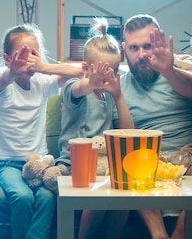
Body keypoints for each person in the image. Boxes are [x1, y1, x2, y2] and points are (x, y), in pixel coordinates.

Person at [116, 14, 192, 239]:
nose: (142, 55)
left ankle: (179, 235)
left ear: (159, 44)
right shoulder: (118, 87)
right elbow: (120, 137)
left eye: (148, 46)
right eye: (134, 48)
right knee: (127, 164)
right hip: (147, 160)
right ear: (124, 49)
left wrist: (169, 70)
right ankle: (159, 234)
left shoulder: (180, 70)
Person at [0, 23, 81, 239]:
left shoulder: (42, 82)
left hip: (39, 163)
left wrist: (44, 67)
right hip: (6, 163)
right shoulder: (4, 85)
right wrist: (12, 72)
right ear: (7, 58)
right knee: (22, 197)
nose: (28, 59)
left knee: (49, 196)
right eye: (21, 54)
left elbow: (82, 71)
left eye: (33, 53)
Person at [55, 18, 135, 239]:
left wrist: (118, 95)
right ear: (86, 68)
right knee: (101, 193)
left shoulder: (110, 95)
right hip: (75, 163)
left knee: (125, 189)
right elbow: (81, 88)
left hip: (105, 163)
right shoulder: (76, 88)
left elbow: (129, 134)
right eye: (102, 71)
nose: (108, 76)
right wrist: (92, 81)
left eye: (115, 70)